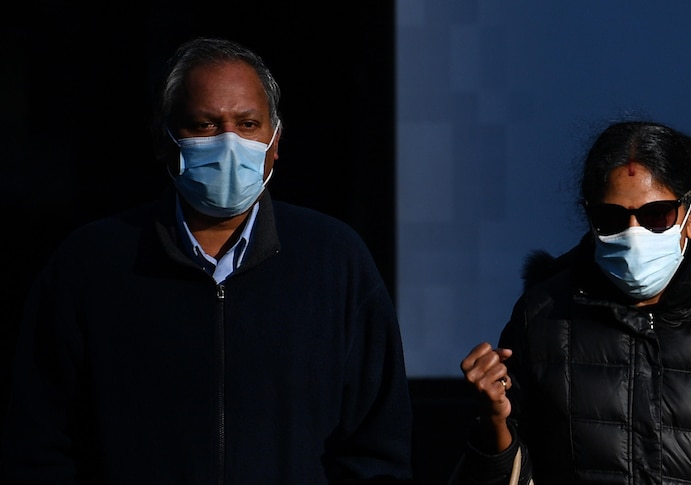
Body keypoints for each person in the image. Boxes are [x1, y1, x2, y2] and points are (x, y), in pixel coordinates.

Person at [0, 37, 413, 484]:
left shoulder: (336, 261)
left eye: (249, 124)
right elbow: (40, 446)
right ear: (165, 139)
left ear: (275, 141)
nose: (230, 143)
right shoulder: (90, 265)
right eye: (204, 126)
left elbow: (378, 449)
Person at [451, 120, 691, 484]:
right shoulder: (545, 315)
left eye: (656, 215)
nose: (634, 233)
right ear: (590, 217)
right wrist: (494, 423)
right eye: (611, 218)